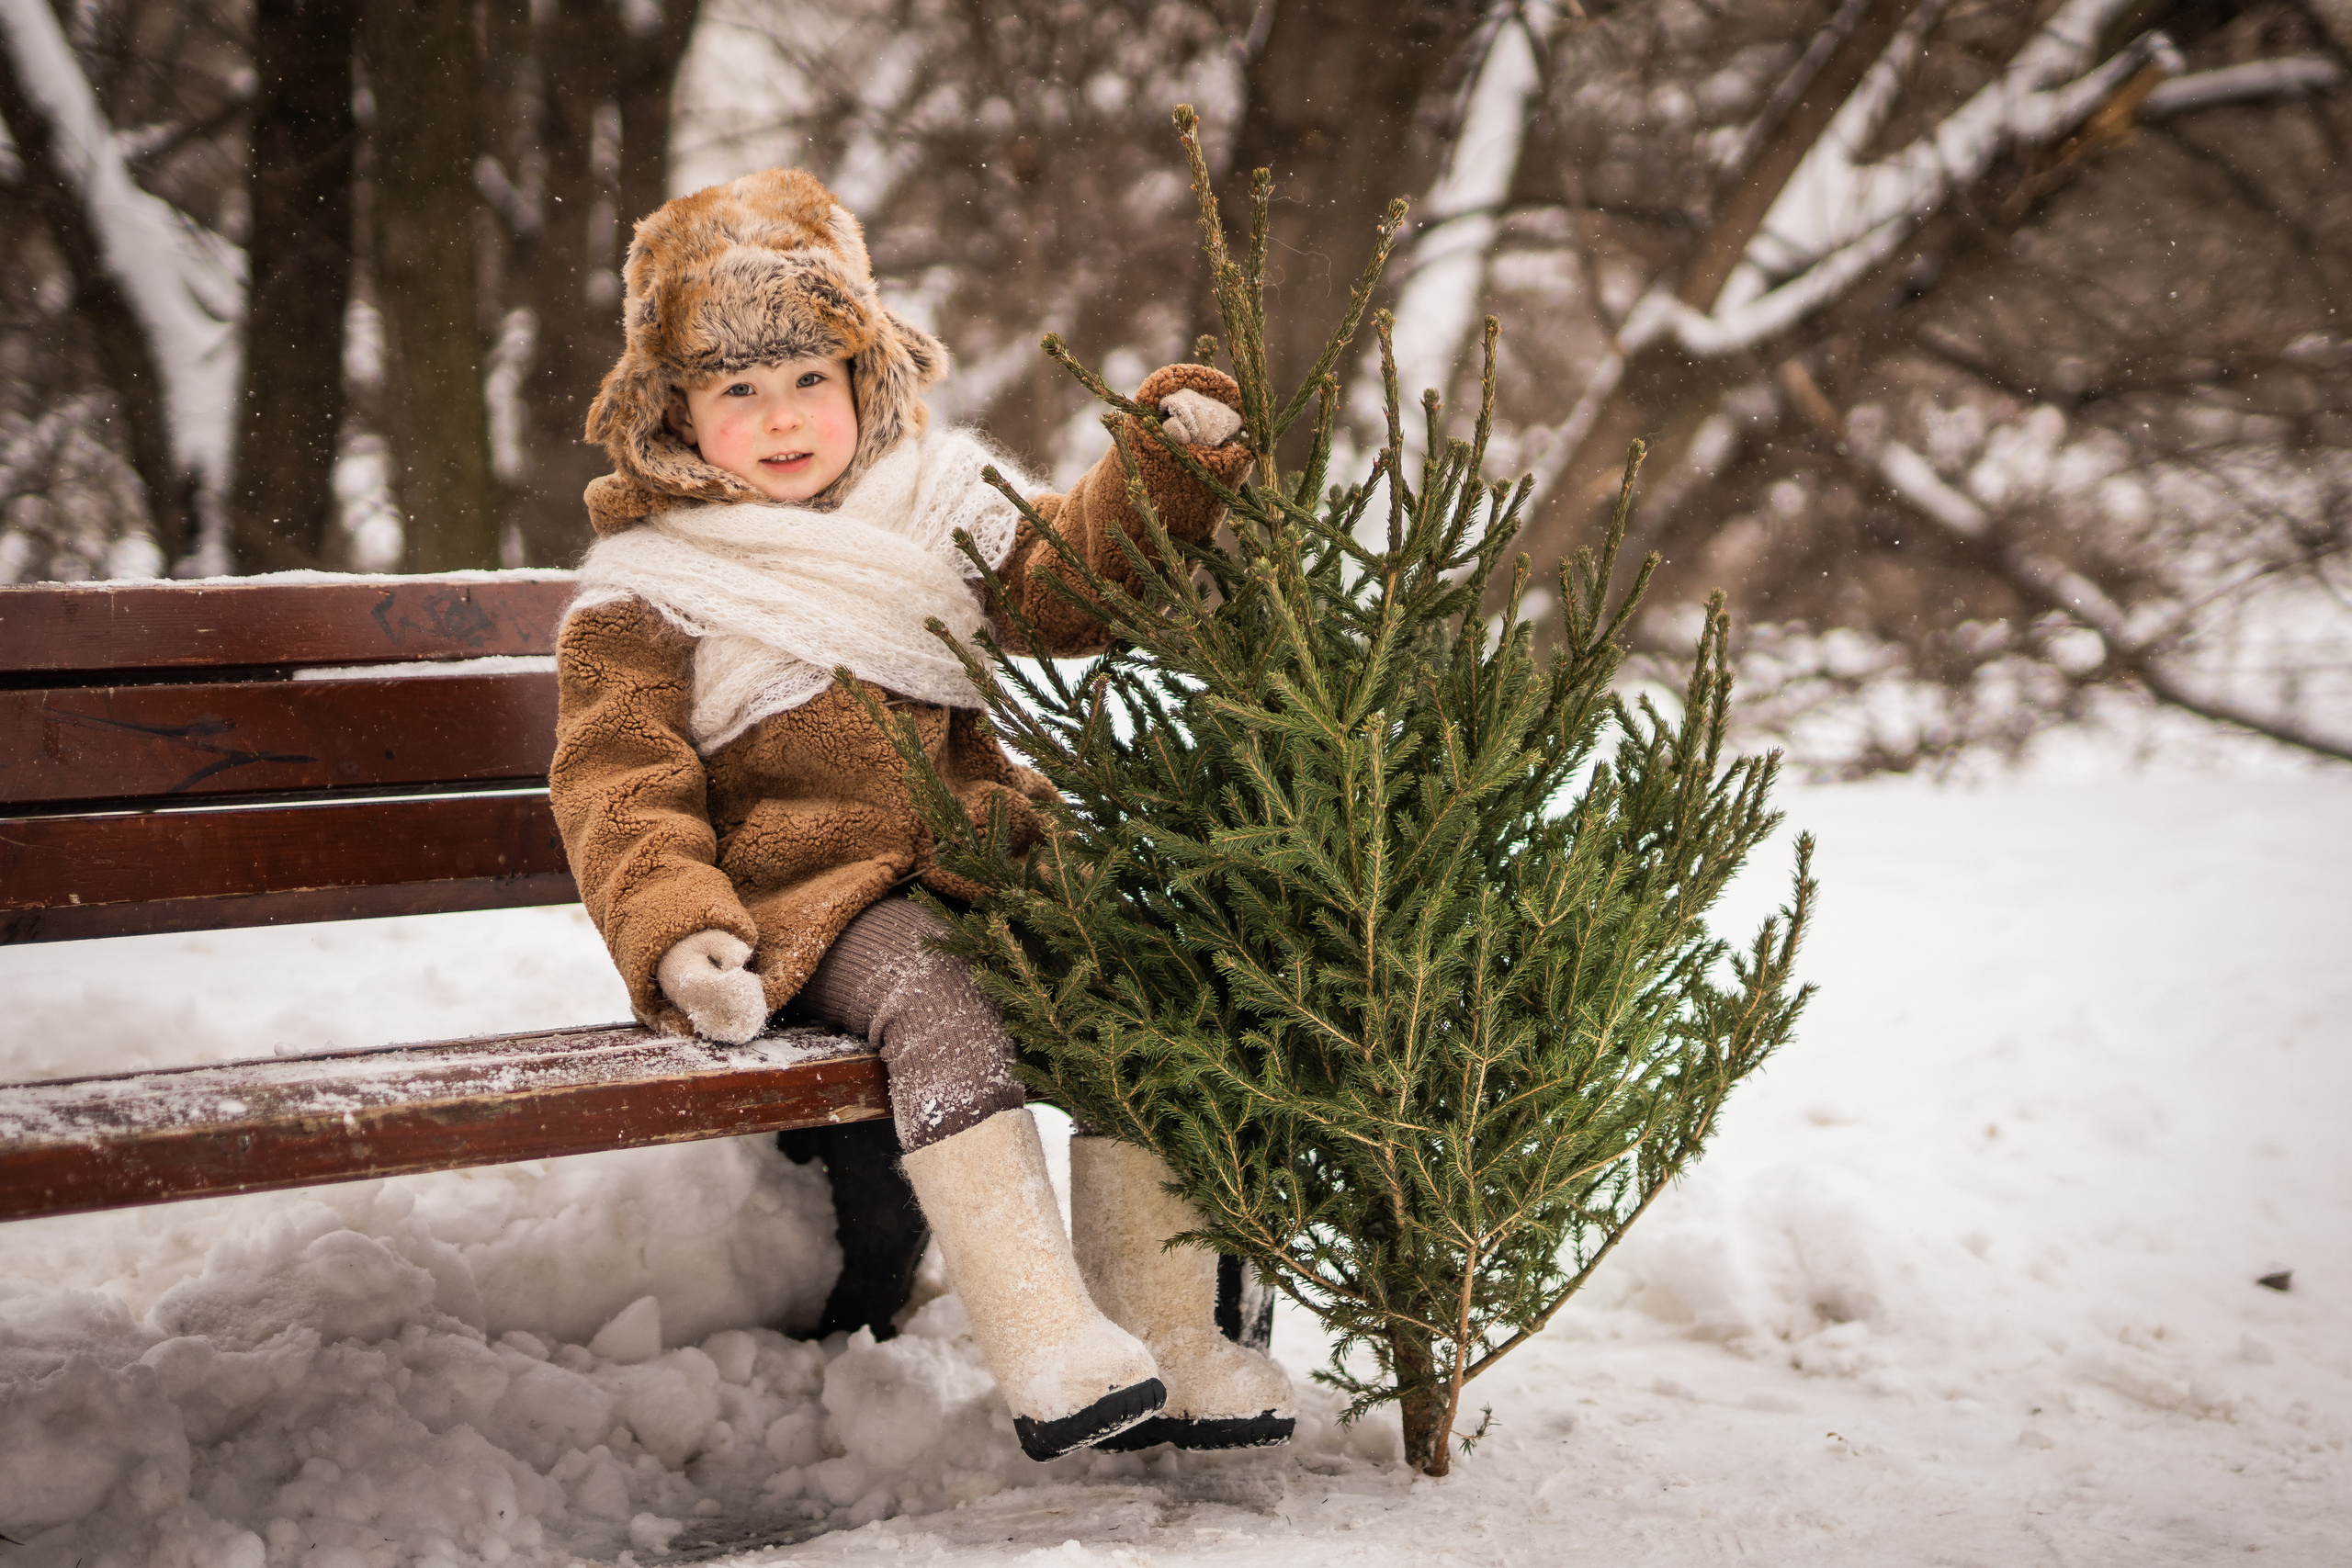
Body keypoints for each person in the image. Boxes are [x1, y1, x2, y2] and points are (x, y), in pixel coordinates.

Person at [548, 168, 1295, 1461]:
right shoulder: (648, 585)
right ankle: (1044, 1341)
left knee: (1138, 973)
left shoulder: (937, 505)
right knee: (939, 994)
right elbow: (620, 780)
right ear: (675, 412)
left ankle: (1171, 1334)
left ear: (866, 378)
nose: (783, 416)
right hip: (810, 899)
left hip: (983, 854)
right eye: (738, 390)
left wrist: (1164, 470)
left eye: (810, 378)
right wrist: (679, 929)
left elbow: (1069, 585)